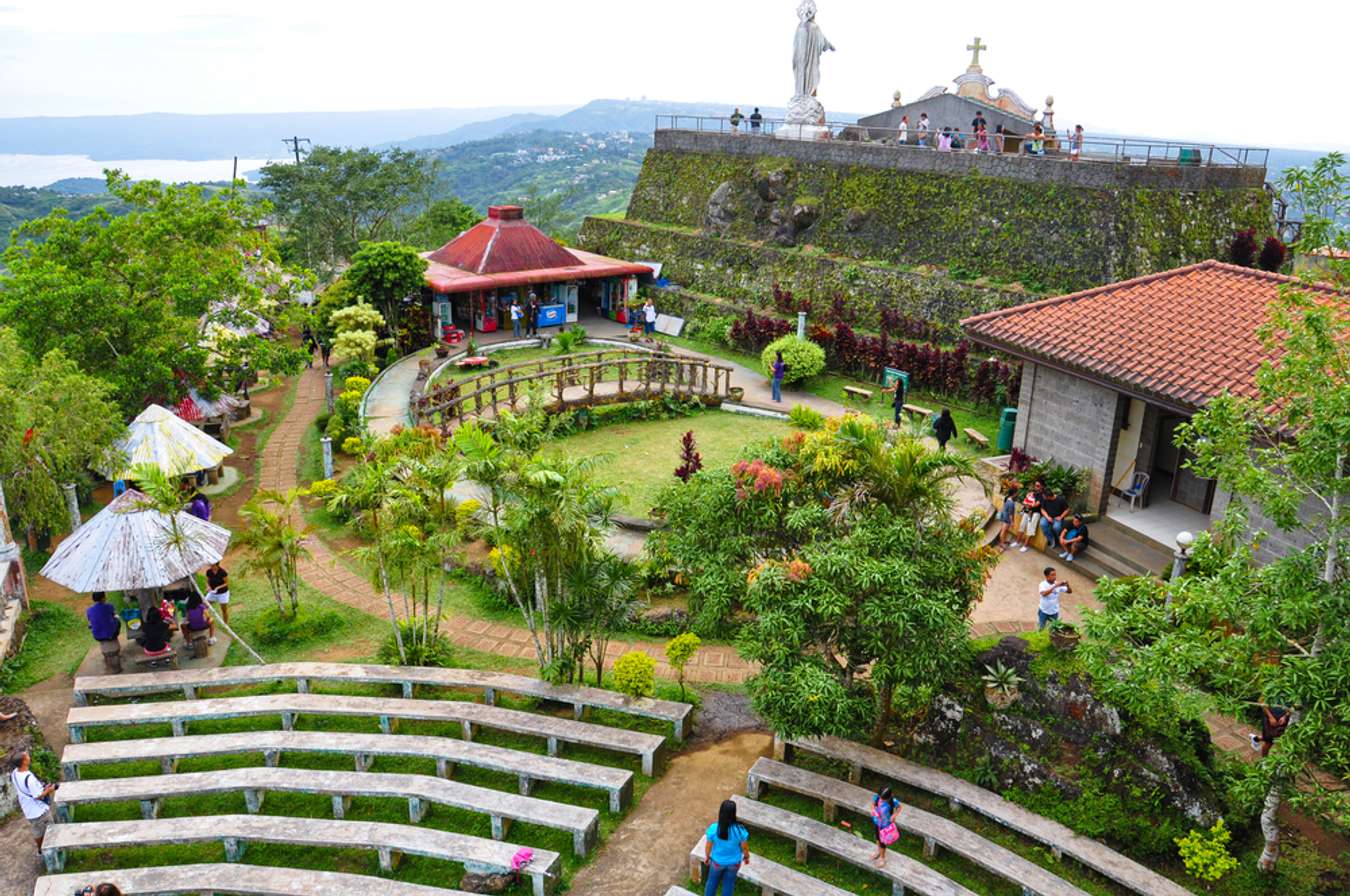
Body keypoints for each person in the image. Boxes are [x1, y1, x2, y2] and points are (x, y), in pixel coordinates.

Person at [10, 750, 57, 852]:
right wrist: (49, 790)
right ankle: (52, 851)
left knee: (37, 830)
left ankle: (40, 850)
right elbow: (37, 796)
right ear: (24, 762)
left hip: (28, 809)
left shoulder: (14, 773)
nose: (29, 756)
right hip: (38, 811)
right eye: (27, 756)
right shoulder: (29, 778)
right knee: (50, 830)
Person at [703, 799, 749, 896]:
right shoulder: (740, 830)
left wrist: (707, 857)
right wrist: (746, 857)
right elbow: (744, 848)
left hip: (717, 863)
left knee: (712, 883)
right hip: (734, 863)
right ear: (734, 813)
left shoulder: (714, 828)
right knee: (729, 885)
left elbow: (708, 847)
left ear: (721, 812)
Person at [870, 785, 901, 867]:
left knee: (883, 842)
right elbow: (873, 805)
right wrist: (873, 810)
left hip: (886, 825)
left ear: (889, 796)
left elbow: (899, 807)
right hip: (878, 822)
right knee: (877, 838)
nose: (882, 800)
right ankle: (879, 851)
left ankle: (882, 858)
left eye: (884, 799)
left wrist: (894, 815)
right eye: (881, 798)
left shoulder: (893, 801)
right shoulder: (877, 797)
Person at [1017, 479, 1046, 553]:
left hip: (1036, 513)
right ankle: (1017, 541)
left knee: (1030, 529)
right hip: (1028, 511)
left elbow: (1036, 504)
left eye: (1038, 486)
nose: (1036, 487)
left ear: (1042, 486)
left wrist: (1028, 504)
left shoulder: (1043, 495)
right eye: (1035, 485)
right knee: (1022, 525)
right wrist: (1028, 497)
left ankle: (1025, 546)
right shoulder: (1034, 493)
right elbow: (1028, 499)